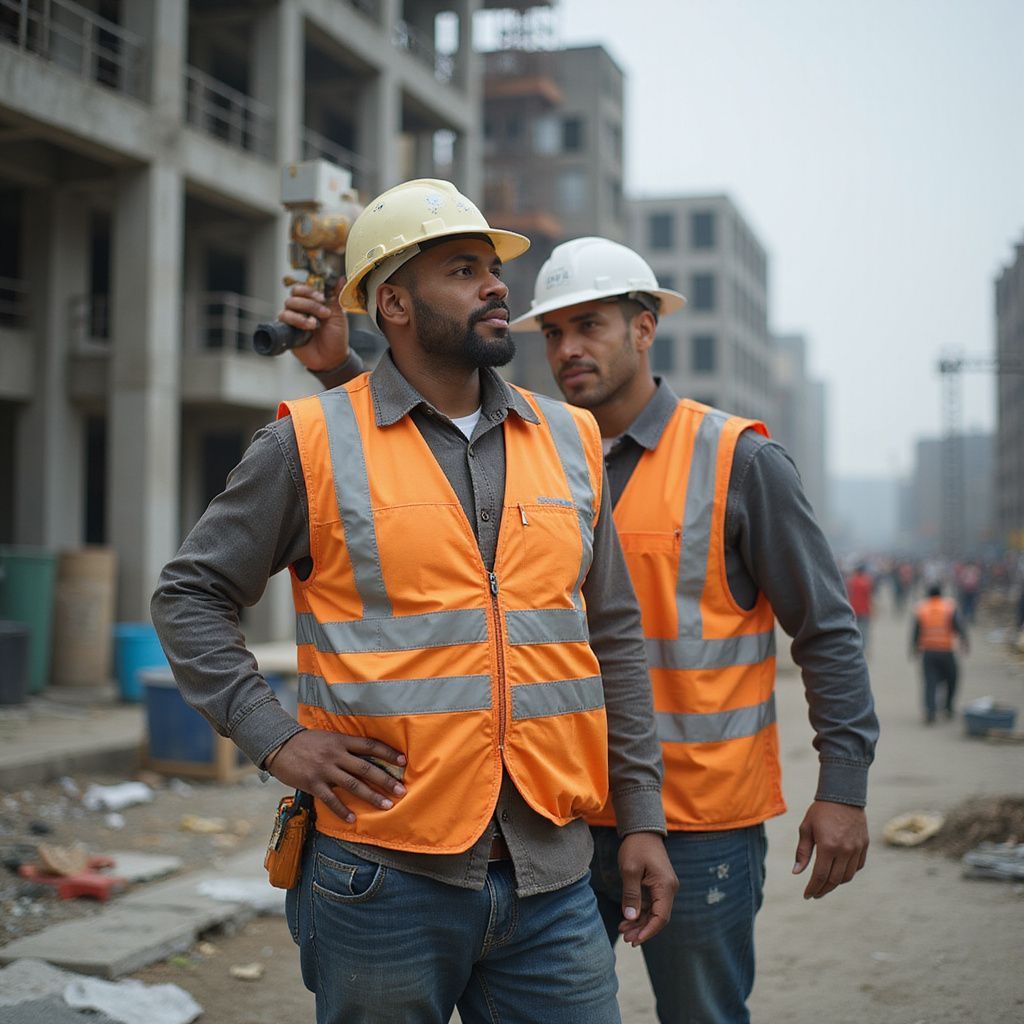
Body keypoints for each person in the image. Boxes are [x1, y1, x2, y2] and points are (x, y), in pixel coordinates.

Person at [152, 182, 677, 1024]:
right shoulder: (310, 442)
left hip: (552, 877)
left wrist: (641, 817)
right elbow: (190, 595)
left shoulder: (571, 440)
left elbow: (613, 637)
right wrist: (277, 739)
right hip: (382, 879)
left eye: (494, 271)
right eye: (464, 270)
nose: (499, 287)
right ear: (392, 303)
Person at [507, 236, 879, 1024]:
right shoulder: (539, 460)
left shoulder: (737, 460)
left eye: (590, 326)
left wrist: (842, 788)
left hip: (700, 825)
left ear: (645, 329)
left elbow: (826, 629)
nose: (568, 350)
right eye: (553, 332)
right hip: (563, 819)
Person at [911, 583, 969, 723]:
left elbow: (916, 631)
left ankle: (930, 712)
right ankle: (948, 707)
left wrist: (914, 648)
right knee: (952, 679)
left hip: (928, 651)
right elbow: (958, 626)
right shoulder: (949, 607)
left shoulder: (922, 608)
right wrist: (965, 641)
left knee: (930, 682)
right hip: (946, 651)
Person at [845, 563, 874, 655]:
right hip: (865, 609)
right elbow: (870, 596)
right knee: (865, 631)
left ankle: (855, 647)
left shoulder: (851, 581)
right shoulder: (867, 582)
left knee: (854, 629)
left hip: (853, 609)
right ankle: (864, 649)